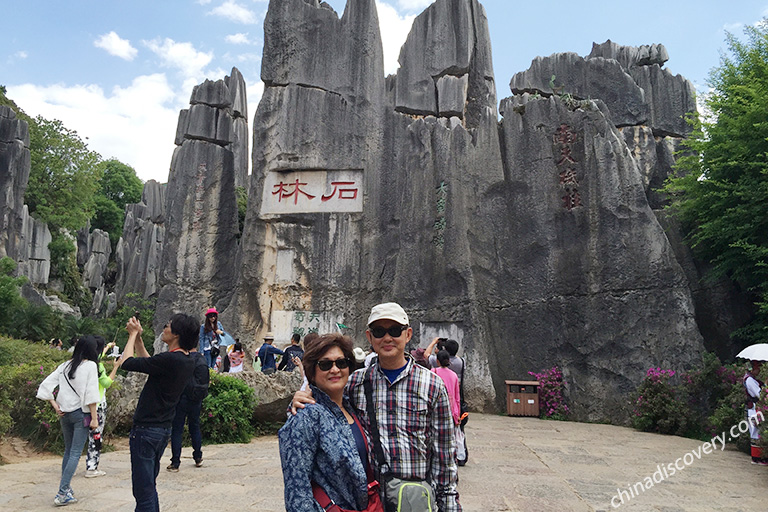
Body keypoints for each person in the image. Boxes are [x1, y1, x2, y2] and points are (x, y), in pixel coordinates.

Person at [293, 302, 462, 511]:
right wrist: (299, 399)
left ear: (408, 334)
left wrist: (449, 505)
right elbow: (324, 407)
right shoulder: (355, 383)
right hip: (370, 502)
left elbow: (444, 456)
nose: (387, 338)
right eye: (379, 331)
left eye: (395, 330)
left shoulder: (432, 385)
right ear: (369, 337)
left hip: (414, 500)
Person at [279, 333, 379, 511]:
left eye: (341, 363)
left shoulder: (352, 407)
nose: (335, 370)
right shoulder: (306, 417)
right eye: (325, 364)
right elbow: (297, 492)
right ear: (312, 371)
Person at [119, 314, 198, 511]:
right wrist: (138, 339)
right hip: (161, 430)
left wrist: (131, 335)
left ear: (176, 334)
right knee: (149, 486)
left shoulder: (170, 359)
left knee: (143, 492)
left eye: (168, 326)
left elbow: (126, 362)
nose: (164, 328)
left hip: (146, 430)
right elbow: (151, 363)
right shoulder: (185, 360)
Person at [36, 335, 101, 506]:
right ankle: (62, 493)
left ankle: (66, 489)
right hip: (81, 414)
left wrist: (55, 405)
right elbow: (91, 395)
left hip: (65, 413)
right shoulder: (90, 366)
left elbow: (45, 385)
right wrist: (94, 418)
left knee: (68, 451)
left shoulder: (65, 365)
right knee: (74, 453)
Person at [168, 346, 209, 472]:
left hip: (181, 398)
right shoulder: (202, 359)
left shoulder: (182, 359)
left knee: (177, 429)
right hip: (196, 399)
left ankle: (175, 462)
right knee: (195, 427)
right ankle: (198, 457)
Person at [84, 340, 120, 478]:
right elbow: (106, 383)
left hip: (83, 406)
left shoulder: (84, 363)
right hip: (98, 407)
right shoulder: (98, 367)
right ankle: (92, 468)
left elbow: (99, 356)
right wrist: (116, 367)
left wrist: (108, 347)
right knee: (96, 436)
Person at [744, 360, 767, 464]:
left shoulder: (751, 379)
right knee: (756, 432)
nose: (759, 370)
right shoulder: (749, 380)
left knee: (756, 432)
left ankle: (758, 457)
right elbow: (759, 394)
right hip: (753, 409)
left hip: (753, 409)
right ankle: (757, 458)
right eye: (758, 368)